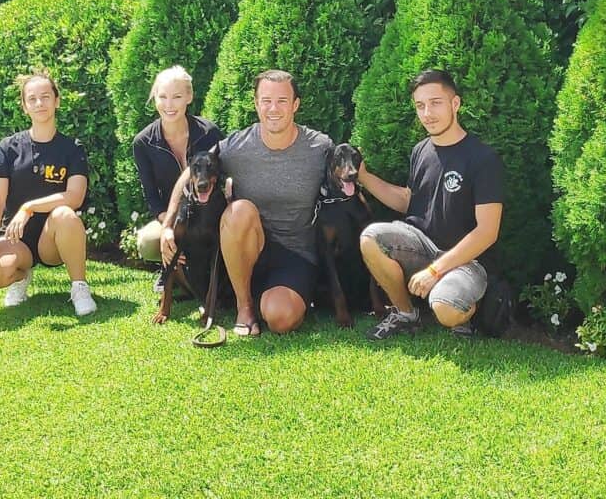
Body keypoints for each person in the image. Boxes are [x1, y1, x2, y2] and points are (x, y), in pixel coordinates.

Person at [161, 69, 331, 336]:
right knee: (239, 209)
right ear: (256, 103)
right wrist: (168, 226)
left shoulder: (318, 148)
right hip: (248, 249)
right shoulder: (237, 147)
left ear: (296, 105)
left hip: (295, 254)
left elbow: (351, 178)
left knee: (280, 318)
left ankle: (270, 298)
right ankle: (244, 307)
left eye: (282, 101)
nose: (273, 108)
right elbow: (190, 172)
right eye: (266, 100)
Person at [359, 68, 503, 340]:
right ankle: (406, 315)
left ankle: (466, 310)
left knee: (446, 309)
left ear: (455, 104)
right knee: (370, 237)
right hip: (421, 247)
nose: (427, 113)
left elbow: (487, 232)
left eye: (435, 103)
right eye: (420, 106)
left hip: (467, 261)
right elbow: (410, 202)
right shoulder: (421, 150)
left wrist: (436, 270)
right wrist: (364, 177)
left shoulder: (483, 159)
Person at [0, 71, 97, 316]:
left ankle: (79, 287)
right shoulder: (8, 148)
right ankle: (21, 277)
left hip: (52, 240)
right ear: (24, 106)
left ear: (57, 100)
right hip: (14, 238)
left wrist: (28, 207)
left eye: (45, 96)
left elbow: (75, 197)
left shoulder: (72, 149)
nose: (39, 103)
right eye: (32, 99)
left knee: (64, 213)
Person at [133, 66, 223, 291]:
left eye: (177, 97)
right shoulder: (143, 143)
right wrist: (169, 228)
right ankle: (169, 269)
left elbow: (223, 175)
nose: (169, 104)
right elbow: (152, 197)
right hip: (170, 216)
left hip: (210, 214)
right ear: (155, 98)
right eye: (162, 97)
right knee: (147, 241)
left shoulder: (209, 133)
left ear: (189, 97)